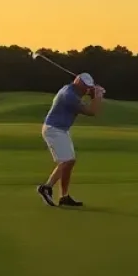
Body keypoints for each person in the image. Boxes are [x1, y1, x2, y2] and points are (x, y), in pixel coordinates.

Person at [37, 73, 104, 208]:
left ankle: (64, 196)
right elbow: (92, 112)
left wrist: (93, 93)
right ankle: (46, 187)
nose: (87, 90)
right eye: (85, 87)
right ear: (78, 83)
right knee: (67, 161)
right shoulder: (70, 96)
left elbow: (86, 97)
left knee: (70, 161)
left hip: (61, 129)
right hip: (54, 130)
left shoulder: (70, 89)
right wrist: (98, 96)